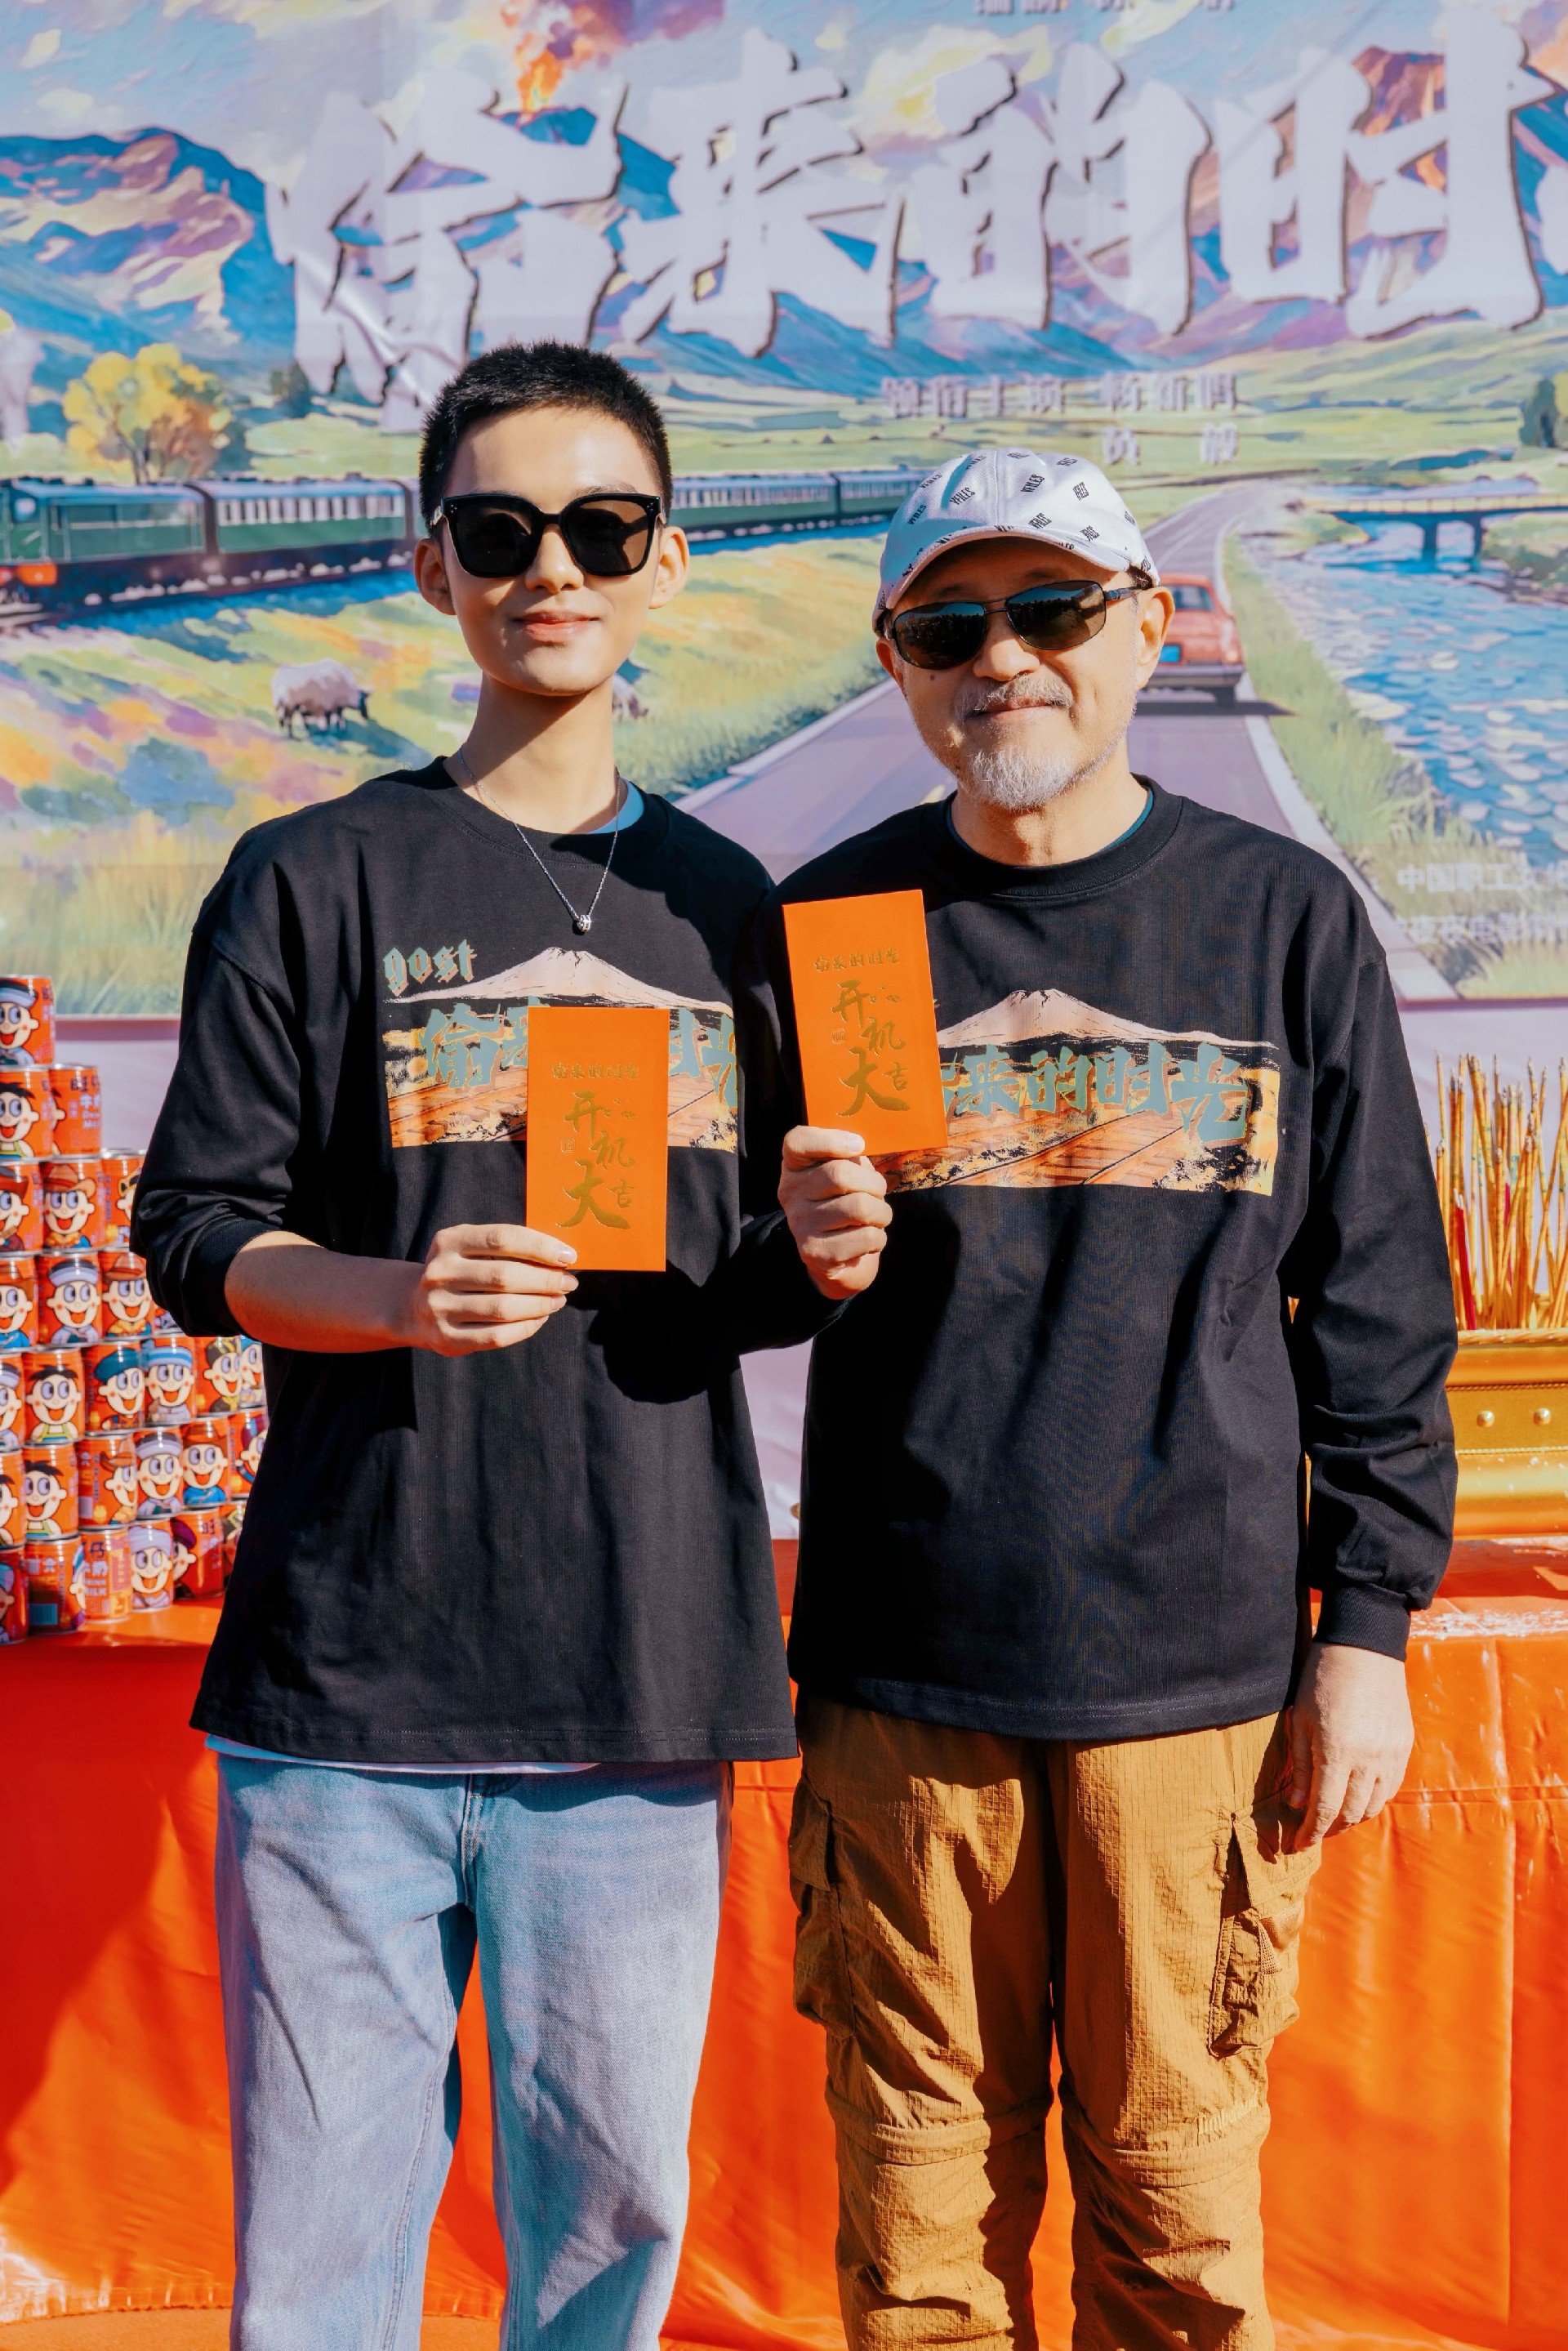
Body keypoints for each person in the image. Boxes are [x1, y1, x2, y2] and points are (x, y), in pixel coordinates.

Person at [133, 341, 822, 2351]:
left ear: (666, 559)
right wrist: (389, 1295)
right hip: (348, 1677)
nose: (553, 569)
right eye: (503, 529)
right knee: (320, 2261)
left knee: (608, 2237)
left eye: (602, 527)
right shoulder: (310, 875)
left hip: (637, 1673)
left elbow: (739, 1281)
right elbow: (195, 1230)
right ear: (435, 563)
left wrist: (825, 1252)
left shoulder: (732, 905)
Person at [764, 448, 1458, 2349]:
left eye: (1055, 608)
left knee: (1177, 2222)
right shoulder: (839, 925)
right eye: (949, 625)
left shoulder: (1278, 916)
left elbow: (1378, 1298)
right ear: (897, 664)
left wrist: (1368, 1627)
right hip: (908, 1679)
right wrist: (784, 1241)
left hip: (1196, 1684)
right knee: (919, 2232)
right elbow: (716, 1268)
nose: (1004, 657)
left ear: (1148, 626)